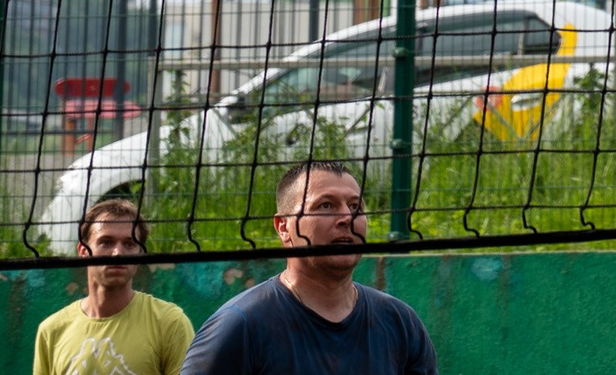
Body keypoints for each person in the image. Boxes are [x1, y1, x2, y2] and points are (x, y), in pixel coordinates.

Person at [179, 161, 436, 375]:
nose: (347, 218)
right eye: (326, 205)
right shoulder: (239, 326)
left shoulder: (401, 323)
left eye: (355, 206)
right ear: (283, 227)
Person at [33, 196, 193, 375]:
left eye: (129, 244)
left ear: (141, 253)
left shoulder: (170, 323)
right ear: (83, 251)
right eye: (106, 242)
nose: (117, 253)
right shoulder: (51, 331)